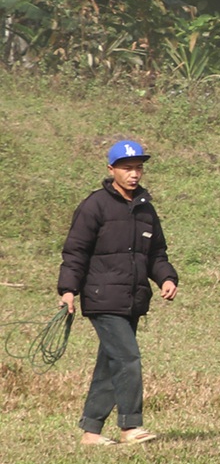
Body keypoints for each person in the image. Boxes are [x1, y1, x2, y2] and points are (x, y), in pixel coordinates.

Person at [58, 140, 179, 446]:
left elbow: (156, 254)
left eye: (138, 168)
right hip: (102, 296)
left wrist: (165, 278)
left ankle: (91, 431)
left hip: (132, 299)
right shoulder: (95, 205)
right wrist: (69, 290)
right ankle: (130, 426)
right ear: (111, 170)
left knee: (111, 363)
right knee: (127, 358)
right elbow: (76, 251)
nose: (134, 174)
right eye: (127, 168)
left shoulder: (146, 209)